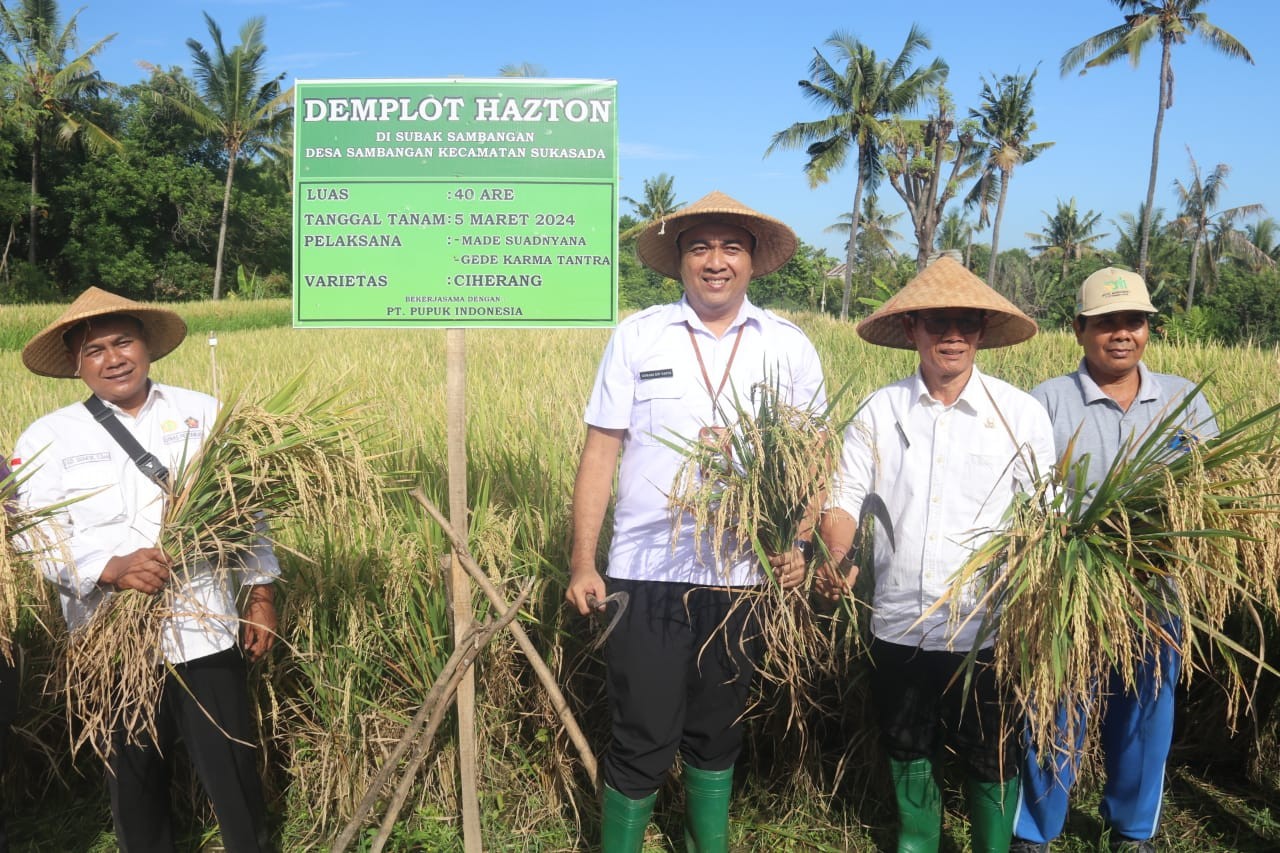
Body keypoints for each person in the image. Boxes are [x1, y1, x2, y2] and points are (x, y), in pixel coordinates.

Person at [566, 191, 825, 852]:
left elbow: (814, 459)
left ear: (752, 261)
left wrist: (796, 540)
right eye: (700, 247)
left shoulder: (787, 346)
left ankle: (707, 841)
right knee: (642, 729)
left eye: (730, 246)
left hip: (743, 571)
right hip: (645, 570)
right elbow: (601, 451)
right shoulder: (639, 334)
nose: (716, 261)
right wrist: (582, 560)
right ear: (679, 260)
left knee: (719, 727)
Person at [12, 287, 279, 852]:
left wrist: (259, 594)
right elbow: (34, 533)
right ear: (77, 365)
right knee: (132, 776)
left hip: (203, 624)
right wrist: (108, 567)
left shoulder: (204, 413)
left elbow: (246, 511)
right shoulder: (48, 438)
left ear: (146, 346)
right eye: (95, 350)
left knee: (231, 766)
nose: (113, 359)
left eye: (123, 342)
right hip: (108, 638)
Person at [817, 257, 1056, 853]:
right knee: (905, 741)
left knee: (992, 747)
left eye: (966, 323)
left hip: (989, 625)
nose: (952, 335)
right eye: (936, 322)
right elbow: (846, 496)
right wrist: (839, 552)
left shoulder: (1019, 414)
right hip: (900, 618)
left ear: (981, 332)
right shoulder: (880, 410)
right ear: (911, 331)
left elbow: (1047, 516)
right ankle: (917, 842)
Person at [1010, 268, 1217, 853]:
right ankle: (1035, 830)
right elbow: (1020, 495)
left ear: (1149, 330)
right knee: (1055, 703)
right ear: (1079, 329)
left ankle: (1132, 830)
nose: (1120, 334)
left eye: (1134, 322)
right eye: (1105, 323)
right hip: (1067, 585)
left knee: (1147, 710)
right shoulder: (1045, 401)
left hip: (1157, 587)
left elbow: (1212, 484)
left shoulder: (1184, 401)